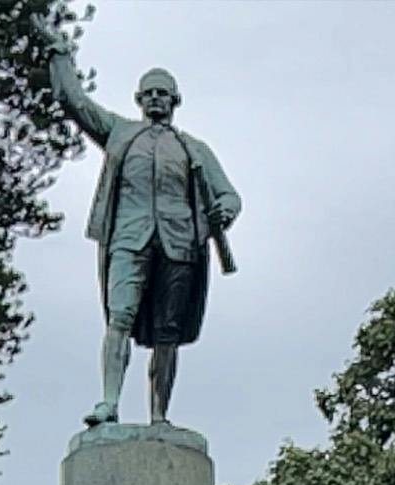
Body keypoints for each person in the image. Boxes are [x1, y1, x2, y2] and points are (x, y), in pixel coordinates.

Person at [36, 18, 242, 428]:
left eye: (162, 94)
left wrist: (225, 213)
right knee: (119, 317)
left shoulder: (193, 148)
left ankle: (159, 415)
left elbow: (228, 195)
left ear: (175, 100)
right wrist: (61, 54)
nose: (154, 100)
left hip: (179, 244)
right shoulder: (119, 132)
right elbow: (76, 103)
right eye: (148, 93)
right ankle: (108, 402)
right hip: (128, 240)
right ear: (137, 99)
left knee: (168, 333)